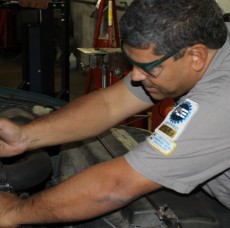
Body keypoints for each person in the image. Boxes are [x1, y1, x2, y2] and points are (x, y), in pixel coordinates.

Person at [0, 0, 229, 226]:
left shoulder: (219, 101)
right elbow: (110, 104)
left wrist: (15, 211)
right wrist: (24, 137)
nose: (136, 77)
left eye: (148, 68)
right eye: (133, 64)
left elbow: (118, 185)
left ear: (196, 57)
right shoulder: (210, 40)